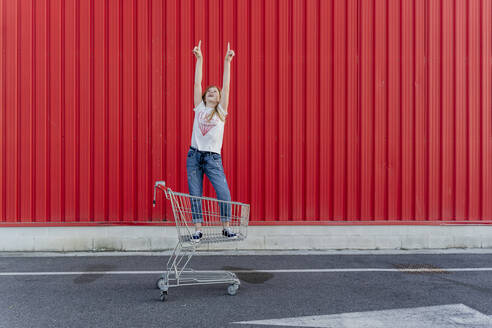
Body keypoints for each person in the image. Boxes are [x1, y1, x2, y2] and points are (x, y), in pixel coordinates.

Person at [187, 40, 236, 241]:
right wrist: (199, 59)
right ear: (205, 96)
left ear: (218, 98)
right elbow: (197, 82)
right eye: (210, 92)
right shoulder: (200, 108)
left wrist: (227, 62)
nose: (212, 93)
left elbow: (226, 85)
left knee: (223, 191)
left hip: (213, 159)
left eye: (215, 93)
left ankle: (226, 226)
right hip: (194, 155)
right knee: (195, 193)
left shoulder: (220, 112)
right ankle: (197, 229)